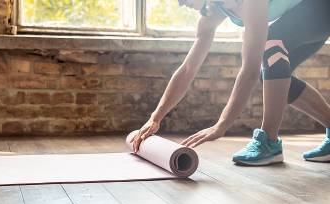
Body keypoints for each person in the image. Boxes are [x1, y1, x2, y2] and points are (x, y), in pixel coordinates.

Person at [130, 0, 330, 166]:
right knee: (273, 74)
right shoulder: (213, 13)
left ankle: (269, 141)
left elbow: (249, 69)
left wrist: (221, 125)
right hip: (306, 15)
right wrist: (155, 117)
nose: (181, 3)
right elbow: (188, 68)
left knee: (270, 46)